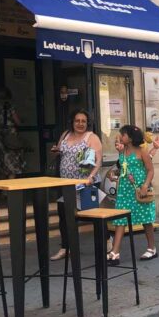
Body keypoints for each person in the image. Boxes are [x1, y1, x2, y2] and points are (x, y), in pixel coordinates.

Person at [50, 109, 103, 261]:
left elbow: (98, 160)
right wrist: (55, 151)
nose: (80, 124)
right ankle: (65, 248)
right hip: (66, 184)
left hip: (85, 183)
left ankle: (106, 241)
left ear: (87, 123)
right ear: (72, 122)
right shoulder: (65, 135)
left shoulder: (91, 137)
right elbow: (60, 151)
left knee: (93, 215)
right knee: (63, 215)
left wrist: (91, 177)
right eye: (77, 121)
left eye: (83, 121)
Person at [108, 125, 157, 262]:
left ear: (130, 138)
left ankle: (151, 248)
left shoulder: (142, 151)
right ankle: (115, 252)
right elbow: (124, 169)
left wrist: (145, 186)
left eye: (123, 134)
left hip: (140, 190)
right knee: (120, 219)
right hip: (124, 191)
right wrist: (114, 174)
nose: (120, 137)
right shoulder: (122, 152)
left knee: (146, 220)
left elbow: (150, 170)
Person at [0, 87, 25, 179]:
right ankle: (11, 182)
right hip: (9, 135)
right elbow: (17, 121)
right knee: (12, 161)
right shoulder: (9, 106)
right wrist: (22, 121)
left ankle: (3, 183)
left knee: (1, 161)